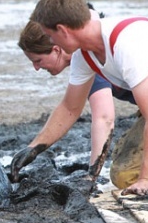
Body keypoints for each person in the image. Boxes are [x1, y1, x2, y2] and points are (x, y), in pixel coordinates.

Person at [11, 0, 148, 196]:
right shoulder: (84, 55)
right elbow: (70, 108)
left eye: (50, 36)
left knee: (143, 179)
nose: (52, 43)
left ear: (62, 30)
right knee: (124, 176)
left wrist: (146, 180)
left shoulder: (125, 45)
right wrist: (34, 148)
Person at [18, 19, 135, 179]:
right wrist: (33, 148)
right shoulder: (82, 61)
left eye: (38, 61)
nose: (36, 68)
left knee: (125, 175)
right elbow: (69, 108)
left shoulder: (88, 56)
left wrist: (92, 176)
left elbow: (104, 118)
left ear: (57, 49)